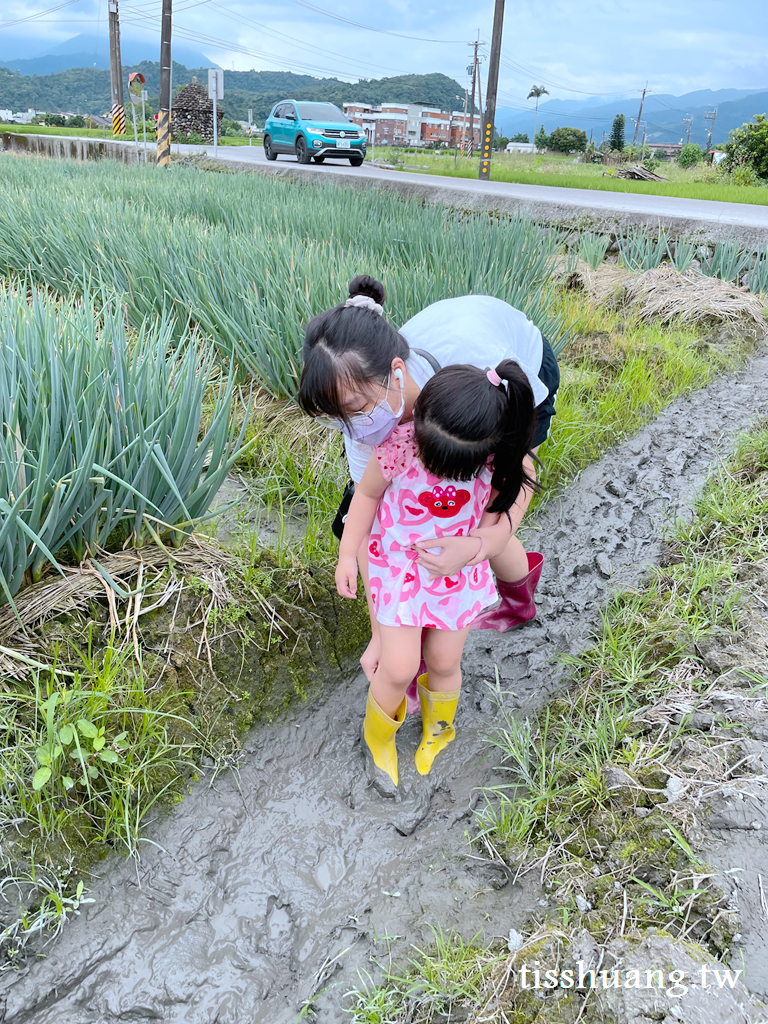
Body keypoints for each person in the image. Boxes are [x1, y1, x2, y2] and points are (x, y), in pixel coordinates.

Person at [299, 275, 558, 684]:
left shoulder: (479, 382)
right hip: (453, 364)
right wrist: (381, 633)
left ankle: (518, 601)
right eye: (337, 417)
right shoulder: (365, 426)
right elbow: (372, 527)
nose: (352, 427)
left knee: (481, 513)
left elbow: (516, 479)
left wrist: (478, 546)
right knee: (436, 519)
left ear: (396, 372)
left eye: (356, 408)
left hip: (511, 374)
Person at [335, 360, 537, 794]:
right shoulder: (399, 445)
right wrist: (347, 554)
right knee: (399, 665)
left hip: (456, 575)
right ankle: (378, 738)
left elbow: (508, 516)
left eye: (454, 471)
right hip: (399, 568)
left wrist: (476, 546)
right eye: (430, 458)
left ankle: (439, 728)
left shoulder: (498, 461)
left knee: (445, 662)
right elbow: (366, 496)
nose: (438, 471)